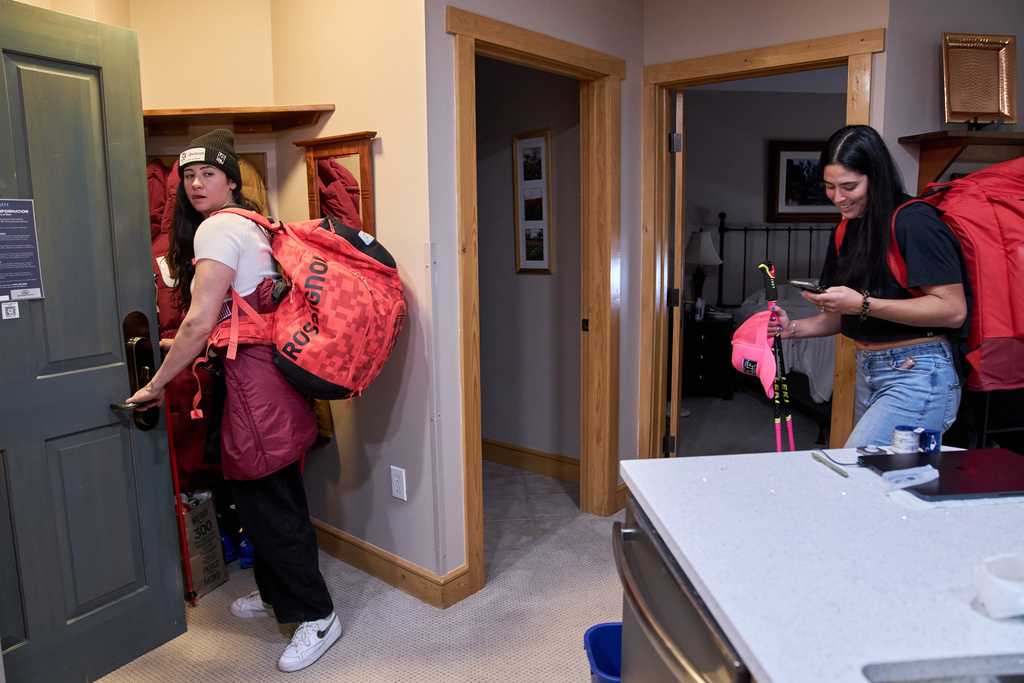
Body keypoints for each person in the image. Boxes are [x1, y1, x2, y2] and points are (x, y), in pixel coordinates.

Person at [126, 129, 340, 673]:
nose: (197, 184)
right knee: (259, 498)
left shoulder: (217, 229)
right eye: (189, 176)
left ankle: (316, 616)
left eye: (210, 174)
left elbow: (201, 320)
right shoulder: (250, 221)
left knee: (273, 506)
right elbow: (238, 316)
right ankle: (274, 596)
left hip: (253, 388)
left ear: (230, 179)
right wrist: (180, 343)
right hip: (265, 377)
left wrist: (154, 384)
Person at [769, 125, 969, 448]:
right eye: (830, 186)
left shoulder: (913, 222)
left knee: (858, 471)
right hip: (869, 372)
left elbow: (953, 309)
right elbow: (841, 315)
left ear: (875, 178)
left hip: (919, 374)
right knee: (883, 485)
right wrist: (792, 328)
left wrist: (863, 303)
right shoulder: (846, 231)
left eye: (849, 186)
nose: (838, 197)